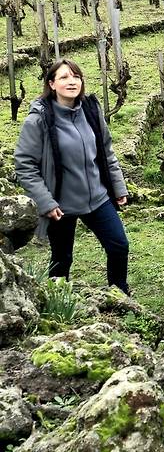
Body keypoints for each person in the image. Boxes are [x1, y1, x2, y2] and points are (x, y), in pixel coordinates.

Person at [14, 58, 130, 294]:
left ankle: (119, 294)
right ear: (52, 84)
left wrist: (118, 188)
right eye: (64, 77)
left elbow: (106, 150)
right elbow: (24, 165)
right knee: (62, 258)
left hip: (97, 197)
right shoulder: (39, 120)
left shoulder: (90, 110)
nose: (71, 81)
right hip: (61, 204)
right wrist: (45, 202)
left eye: (76, 76)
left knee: (119, 245)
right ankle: (56, 302)